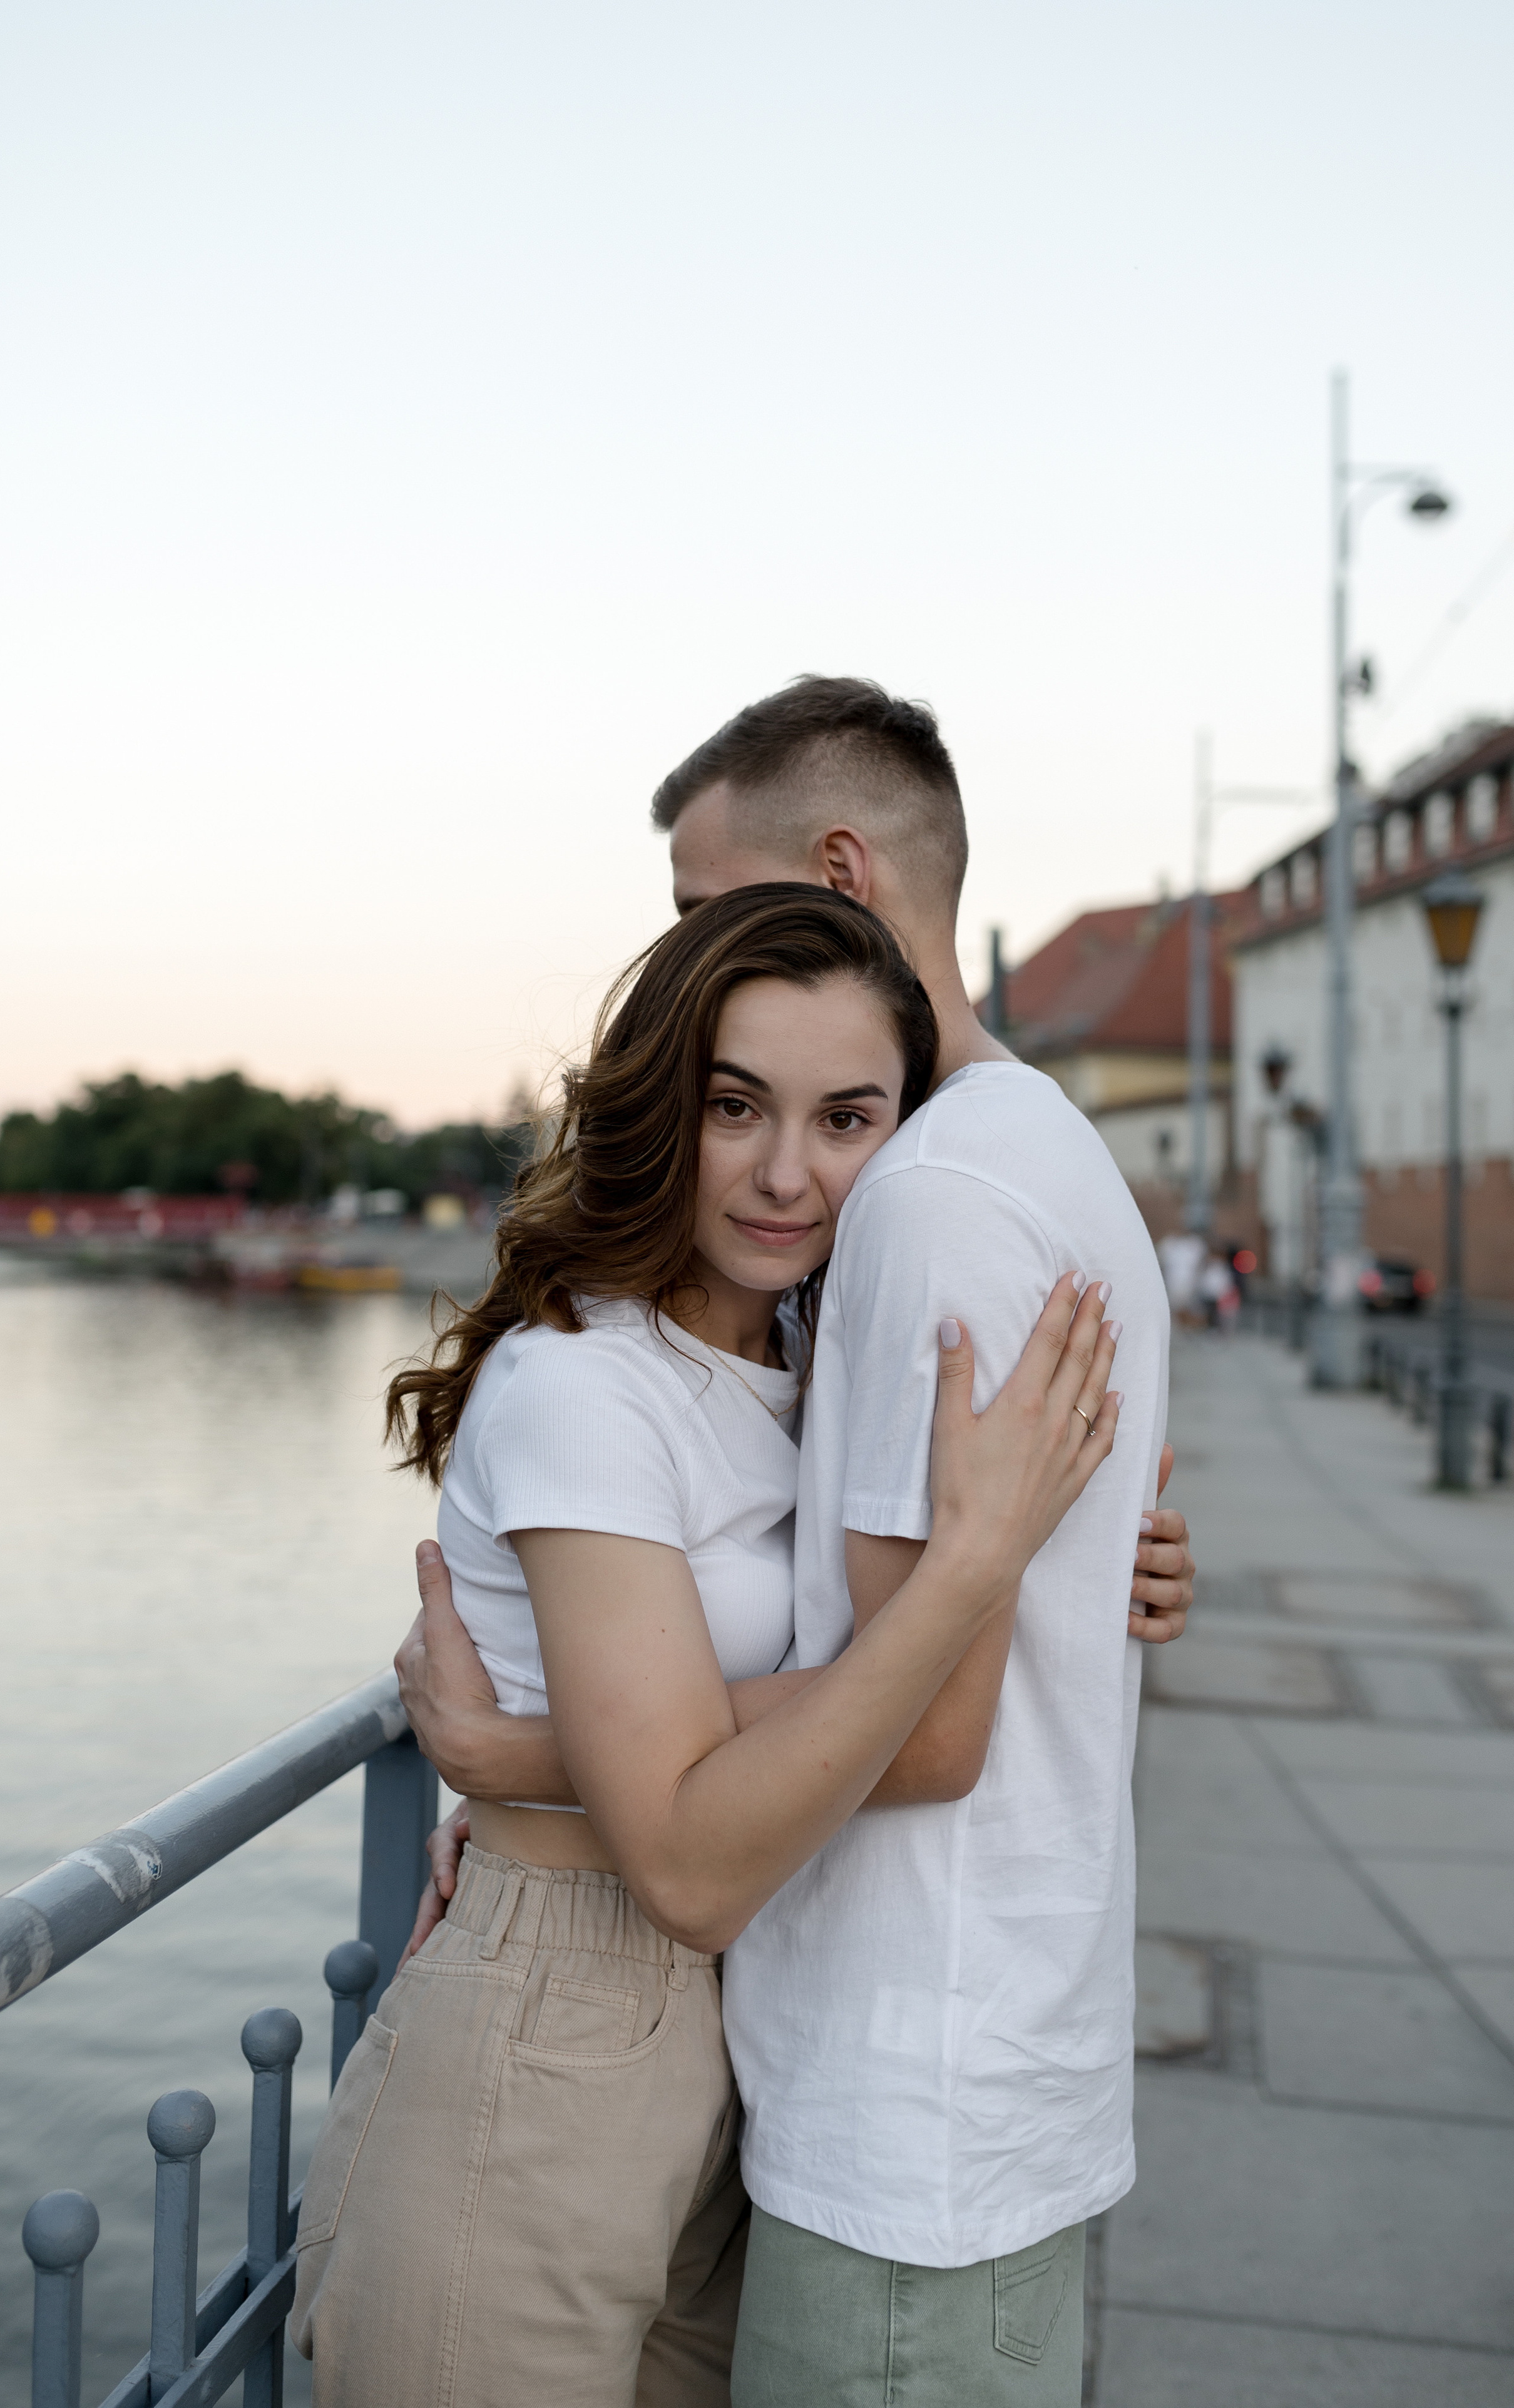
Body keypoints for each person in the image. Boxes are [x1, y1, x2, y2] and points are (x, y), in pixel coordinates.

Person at [400, 676, 1195, 2407]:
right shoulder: (1036, 1154)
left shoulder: (924, 1201)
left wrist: (519, 1755)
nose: (791, 1165)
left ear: (838, 878)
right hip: (835, 2066)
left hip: (901, 2097)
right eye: (733, 1101)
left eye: (709, 908)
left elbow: (926, 1713)